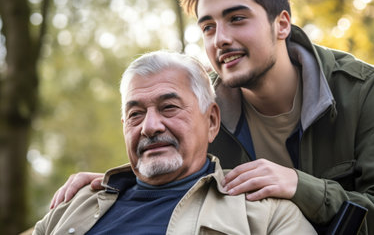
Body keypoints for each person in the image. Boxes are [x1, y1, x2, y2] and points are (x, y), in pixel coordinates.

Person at [50, 0, 374, 234]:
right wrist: (116, 184)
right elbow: (178, 167)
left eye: (236, 19)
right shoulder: (205, 109)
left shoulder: (365, 90)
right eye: (208, 27)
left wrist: (301, 187)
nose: (221, 39)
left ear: (281, 24)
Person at [32, 51, 316, 235]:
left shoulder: (265, 213)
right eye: (135, 114)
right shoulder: (74, 206)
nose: (150, 127)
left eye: (169, 107)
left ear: (212, 121)